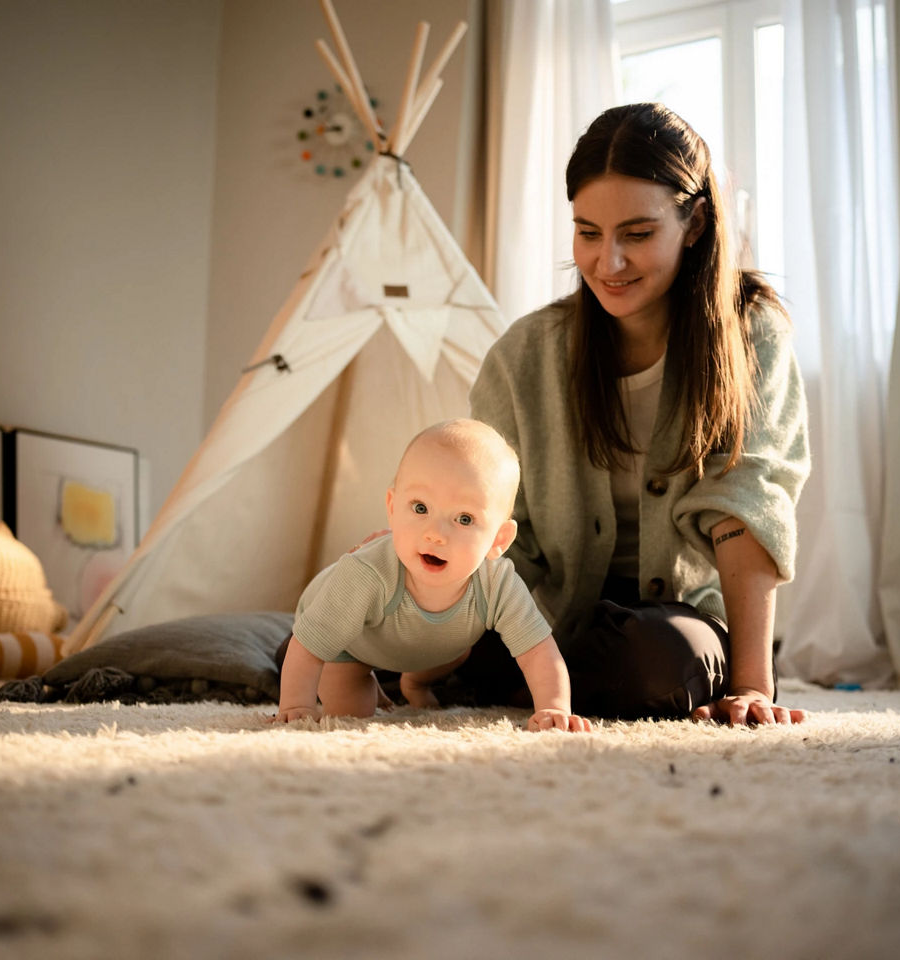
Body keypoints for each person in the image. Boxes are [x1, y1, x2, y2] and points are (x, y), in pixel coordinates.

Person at [464, 102, 810, 726]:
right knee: (388, 618)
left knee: (660, 661)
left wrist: (754, 687)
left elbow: (749, 504)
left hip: (673, 621)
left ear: (695, 223)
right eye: (588, 233)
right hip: (541, 618)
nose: (608, 263)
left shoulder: (751, 333)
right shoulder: (524, 355)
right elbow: (495, 532)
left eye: (638, 234)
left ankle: (533, 683)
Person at [272, 418, 591, 732]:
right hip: (346, 642)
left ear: (499, 540)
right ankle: (361, 678)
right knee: (352, 713)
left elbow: (539, 651)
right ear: (393, 508)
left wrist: (554, 707)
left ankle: (414, 681)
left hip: (436, 644)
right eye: (420, 508)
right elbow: (310, 645)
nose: (436, 534)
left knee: (456, 645)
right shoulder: (366, 575)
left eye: (464, 519)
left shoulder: (497, 584)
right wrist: (295, 705)